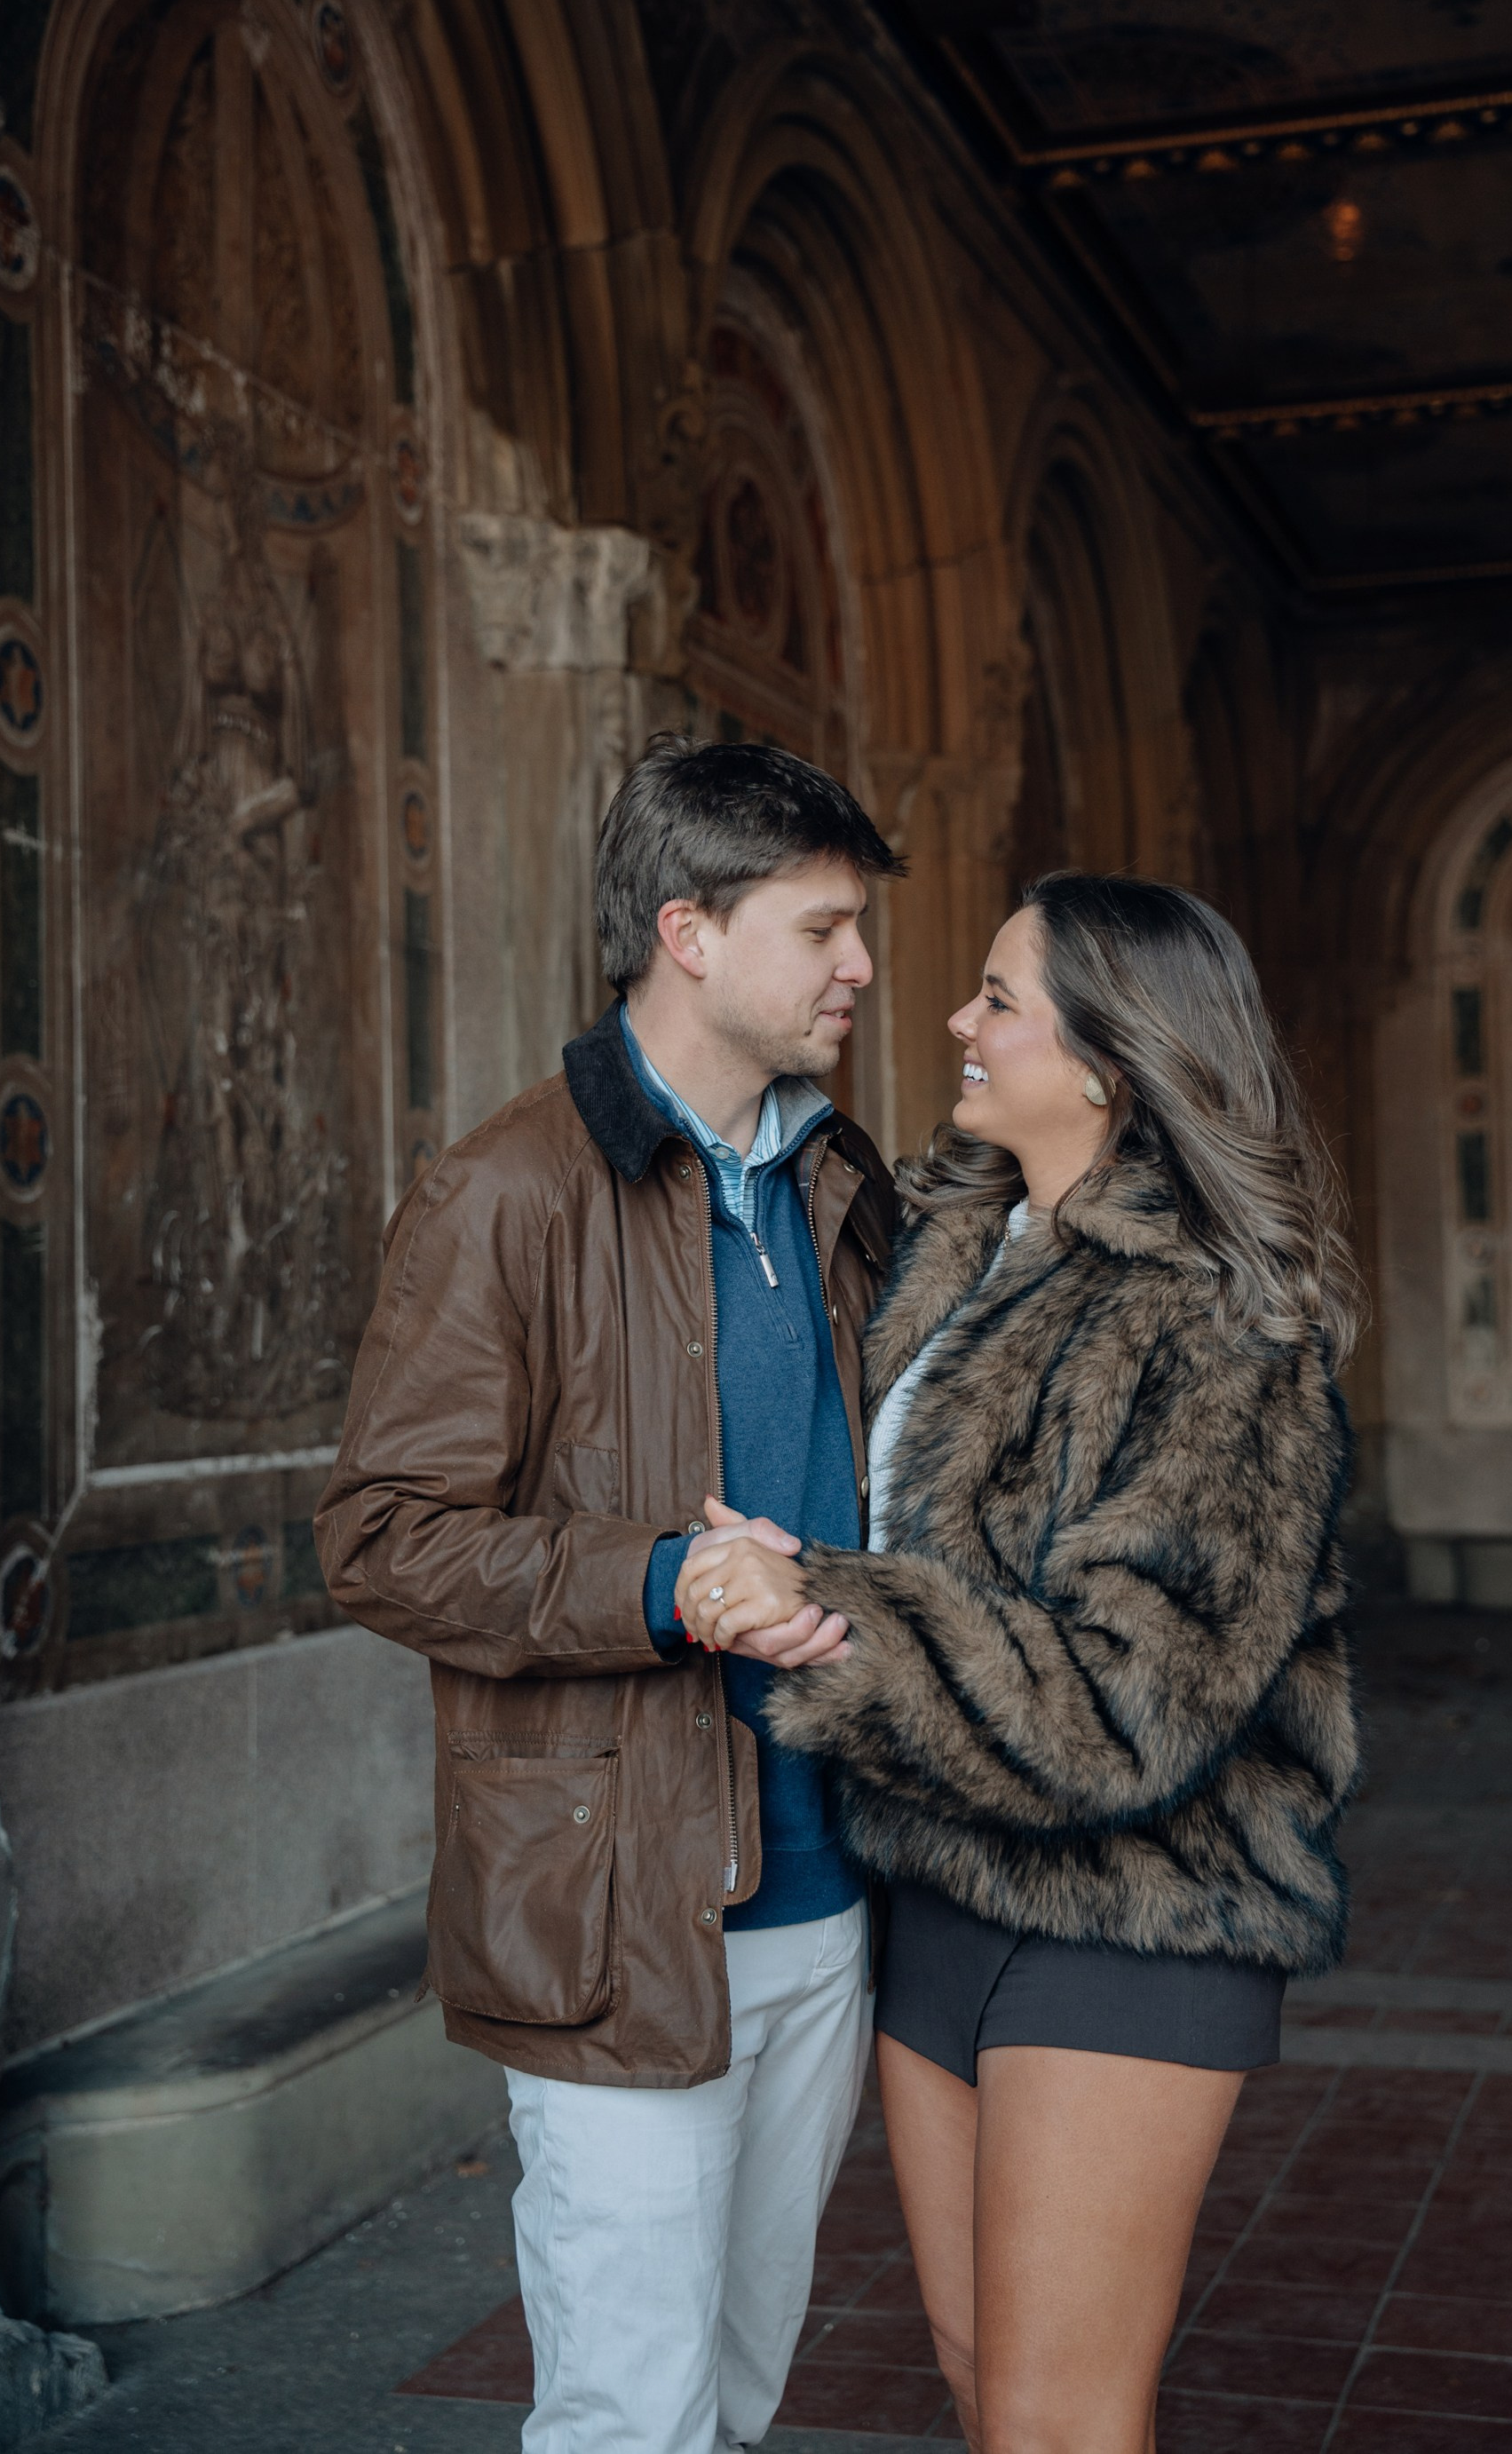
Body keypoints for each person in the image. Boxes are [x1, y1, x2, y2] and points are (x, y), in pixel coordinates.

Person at [675, 872, 1366, 2454]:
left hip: (1138, 1908)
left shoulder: (1216, 1324)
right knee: (983, 2380)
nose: (954, 1020)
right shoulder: (953, 1252)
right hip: (938, 1881)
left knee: (1061, 2418)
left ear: (1113, 1061)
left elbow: (1135, 1703)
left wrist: (826, 1601)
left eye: (998, 998)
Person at [314, 734, 905, 2454]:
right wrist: (663, 1581)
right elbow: (380, 1535)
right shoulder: (504, 1190)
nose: (861, 966)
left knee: (740, 2386)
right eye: (821, 928)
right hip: (614, 1908)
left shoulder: (841, 1182)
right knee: (630, 2415)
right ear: (687, 933)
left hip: (828, 1884)